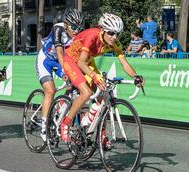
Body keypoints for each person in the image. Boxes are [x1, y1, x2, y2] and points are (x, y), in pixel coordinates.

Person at [61, 13, 145, 143]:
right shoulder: (92, 36)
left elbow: (125, 63)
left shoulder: (114, 43)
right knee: (86, 92)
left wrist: (135, 76)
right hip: (72, 60)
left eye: (117, 34)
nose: (114, 37)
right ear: (103, 30)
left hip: (87, 61)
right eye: (111, 33)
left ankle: (96, 131)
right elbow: (80, 63)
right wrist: (94, 76)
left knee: (103, 98)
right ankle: (66, 123)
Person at [35, 8, 84, 141]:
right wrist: (67, 72)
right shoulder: (58, 29)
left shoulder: (77, 35)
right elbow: (60, 53)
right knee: (50, 90)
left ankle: (60, 110)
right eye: (74, 27)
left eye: (79, 27)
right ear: (66, 24)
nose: (76, 30)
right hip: (46, 60)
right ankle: (44, 128)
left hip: (60, 62)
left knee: (73, 85)